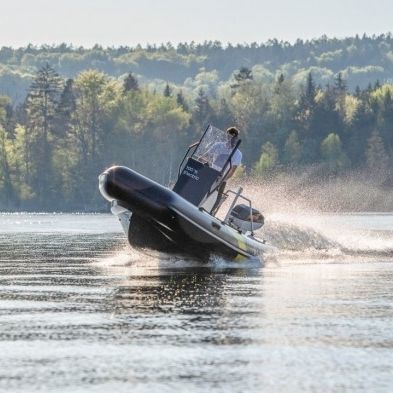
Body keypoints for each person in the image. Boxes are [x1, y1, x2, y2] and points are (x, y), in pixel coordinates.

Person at [208, 127, 242, 214]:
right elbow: (205, 156)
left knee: (216, 198)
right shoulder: (218, 145)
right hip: (209, 174)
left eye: (233, 137)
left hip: (222, 178)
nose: (230, 139)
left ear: (236, 138)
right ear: (226, 136)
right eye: (229, 136)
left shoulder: (237, 153)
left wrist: (223, 179)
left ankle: (210, 211)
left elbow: (232, 171)